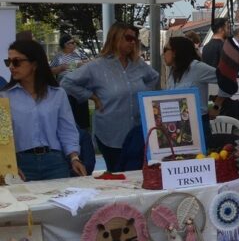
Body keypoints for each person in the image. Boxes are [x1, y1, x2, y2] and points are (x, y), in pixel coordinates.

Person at [62, 22, 158, 172]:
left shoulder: (138, 64)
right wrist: (91, 96)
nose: (132, 42)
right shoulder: (97, 66)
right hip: (111, 133)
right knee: (118, 176)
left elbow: (154, 77)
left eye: (135, 39)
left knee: (138, 174)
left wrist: (143, 96)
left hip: (138, 131)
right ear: (115, 37)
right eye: (128, 38)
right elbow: (67, 82)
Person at [2, 39, 85, 180]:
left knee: (60, 201)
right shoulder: (4, 97)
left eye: (16, 62)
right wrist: (7, 165)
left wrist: (74, 158)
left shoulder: (58, 94)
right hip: (20, 164)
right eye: (8, 62)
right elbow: (2, 138)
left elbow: (67, 129)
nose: (11, 67)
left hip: (55, 162)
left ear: (34, 64)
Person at [163, 37, 217, 146]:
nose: (163, 54)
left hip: (198, 125)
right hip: (178, 126)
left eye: (165, 50)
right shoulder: (173, 71)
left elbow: (227, 80)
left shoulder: (197, 68)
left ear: (175, 52)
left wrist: (217, 106)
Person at [49, 33, 91, 129]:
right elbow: (50, 70)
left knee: (82, 115)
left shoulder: (79, 53)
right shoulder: (58, 57)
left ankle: (83, 130)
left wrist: (73, 65)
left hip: (79, 86)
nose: (74, 44)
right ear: (65, 45)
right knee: (69, 113)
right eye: (71, 43)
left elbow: (88, 62)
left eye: (74, 42)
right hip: (65, 89)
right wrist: (62, 67)